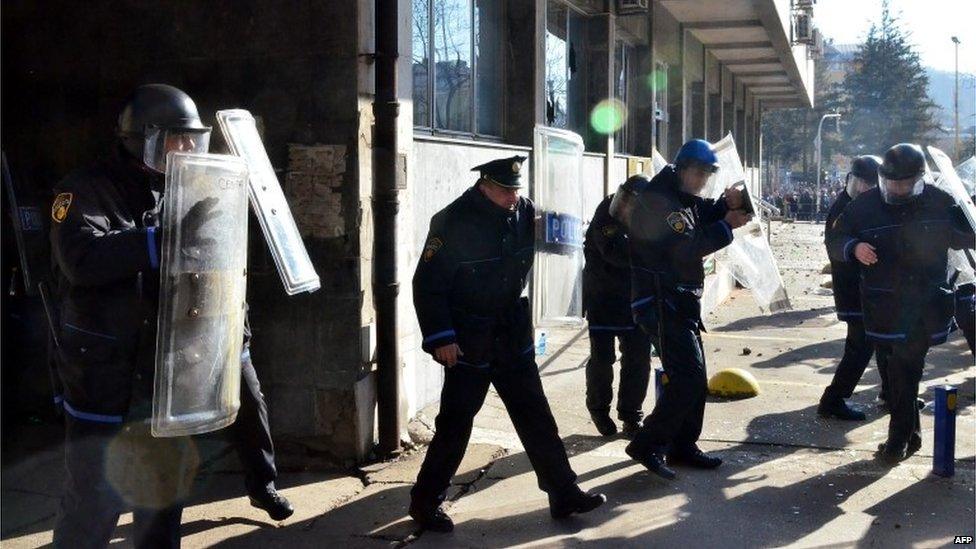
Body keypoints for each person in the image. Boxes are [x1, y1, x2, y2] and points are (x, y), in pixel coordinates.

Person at [49, 84, 290, 549]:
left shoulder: (191, 187)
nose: (185, 150)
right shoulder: (84, 189)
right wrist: (164, 240)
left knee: (161, 502)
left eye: (191, 140)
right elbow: (81, 258)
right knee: (92, 505)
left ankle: (262, 484)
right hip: (107, 378)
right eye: (174, 140)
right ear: (141, 138)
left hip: (169, 382)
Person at [410, 155, 605, 532]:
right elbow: (428, 286)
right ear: (485, 186)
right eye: (505, 190)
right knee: (455, 423)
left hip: (511, 332)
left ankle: (563, 493)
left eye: (517, 189)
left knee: (536, 415)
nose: (513, 197)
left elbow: (563, 238)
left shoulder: (524, 211)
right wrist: (441, 338)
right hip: (469, 338)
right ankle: (425, 502)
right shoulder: (452, 221)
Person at [827, 143, 975, 463]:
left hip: (923, 307)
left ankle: (895, 444)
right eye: (890, 184)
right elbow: (835, 239)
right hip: (881, 309)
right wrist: (854, 248)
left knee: (904, 373)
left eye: (903, 185)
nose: (896, 190)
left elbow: (968, 235)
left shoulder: (939, 203)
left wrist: (969, 212)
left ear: (919, 180)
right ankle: (914, 436)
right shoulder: (863, 207)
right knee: (896, 376)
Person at [621, 139, 751, 480]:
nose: (701, 181)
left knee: (695, 377)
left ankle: (683, 445)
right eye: (697, 173)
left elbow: (701, 212)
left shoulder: (680, 197)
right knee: (688, 378)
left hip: (680, 301)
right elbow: (686, 247)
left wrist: (725, 204)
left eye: (707, 175)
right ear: (682, 169)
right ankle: (647, 443)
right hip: (660, 301)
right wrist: (727, 225)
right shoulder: (659, 202)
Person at [818, 155, 889, 421]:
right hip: (853, 291)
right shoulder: (843, 208)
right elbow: (834, 245)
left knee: (884, 341)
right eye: (861, 183)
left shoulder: (869, 205)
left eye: (871, 184)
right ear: (854, 180)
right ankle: (833, 399)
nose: (865, 189)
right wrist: (854, 248)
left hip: (873, 291)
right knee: (860, 347)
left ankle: (892, 394)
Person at [582, 178, 652, 438]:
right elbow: (614, 252)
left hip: (635, 299)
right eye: (626, 201)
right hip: (602, 297)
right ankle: (599, 409)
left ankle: (631, 414)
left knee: (638, 358)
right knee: (602, 359)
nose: (626, 208)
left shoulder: (649, 217)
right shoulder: (606, 212)